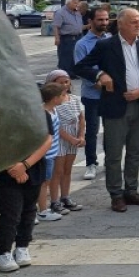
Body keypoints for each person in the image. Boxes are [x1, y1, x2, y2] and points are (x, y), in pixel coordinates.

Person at [73, 8, 139, 212]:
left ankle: (132, 190)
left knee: (136, 150)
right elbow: (79, 66)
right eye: (133, 22)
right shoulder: (106, 45)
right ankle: (116, 194)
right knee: (113, 153)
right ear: (120, 24)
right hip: (115, 105)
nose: (138, 25)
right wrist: (100, 74)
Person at [0, 89, 54, 273]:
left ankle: (22, 246)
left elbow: (47, 140)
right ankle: (3, 252)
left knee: (29, 210)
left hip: (33, 167)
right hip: (6, 169)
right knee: (11, 212)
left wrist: (25, 165)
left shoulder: (41, 114)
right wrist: (14, 166)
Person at [74, 5, 112, 181]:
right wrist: (96, 81)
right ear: (90, 22)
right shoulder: (82, 44)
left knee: (111, 128)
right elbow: (81, 69)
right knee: (92, 130)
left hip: (110, 93)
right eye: (100, 20)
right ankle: (91, 163)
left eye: (106, 19)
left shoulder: (111, 38)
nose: (104, 23)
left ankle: (110, 161)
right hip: (92, 94)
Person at [46, 70, 85, 216]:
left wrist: (81, 135)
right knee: (58, 170)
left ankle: (65, 196)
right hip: (61, 138)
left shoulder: (74, 99)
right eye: (60, 82)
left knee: (68, 169)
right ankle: (54, 200)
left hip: (74, 136)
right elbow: (57, 125)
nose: (64, 85)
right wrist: (71, 138)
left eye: (66, 82)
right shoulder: (54, 102)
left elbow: (81, 118)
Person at [53, 0, 84, 74]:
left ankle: (74, 73)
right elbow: (56, 26)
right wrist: (57, 38)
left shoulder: (77, 12)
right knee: (66, 57)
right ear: (68, 3)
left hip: (78, 37)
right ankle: (65, 74)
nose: (77, 4)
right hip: (67, 38)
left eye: (77, 2)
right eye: (75, 3)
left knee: (76, 56)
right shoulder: (60, 13)